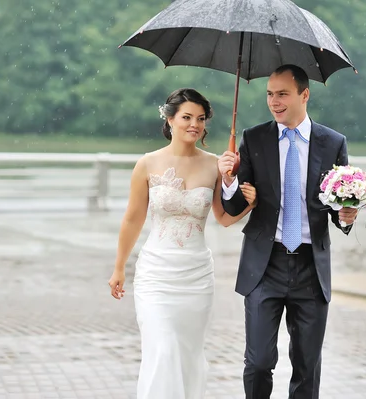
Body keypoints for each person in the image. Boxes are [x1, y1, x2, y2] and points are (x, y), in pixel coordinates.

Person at [217, 64, 358, 398]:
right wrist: (228, 181)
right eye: (269, 94)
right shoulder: (254, 138)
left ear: (304, 94)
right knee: (259, 362)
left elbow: (338, 210)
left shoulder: (333, 143)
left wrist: (347, 215)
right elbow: (236, 207)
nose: (274, 101)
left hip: (311, 267)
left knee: (308, 366)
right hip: (264, 267)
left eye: (282, 94)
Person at [108, 88, 258, 399]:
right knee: (162, 349)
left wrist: (248, 204)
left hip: (196, 276)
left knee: (188, 354)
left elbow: (223, 218)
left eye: (201, 119)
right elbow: (133, 219)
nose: (194, 124)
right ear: (170, 119)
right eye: (187, 117)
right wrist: (119, 267)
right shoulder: (147, 164)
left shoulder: (215, 164)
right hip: (156, 275)